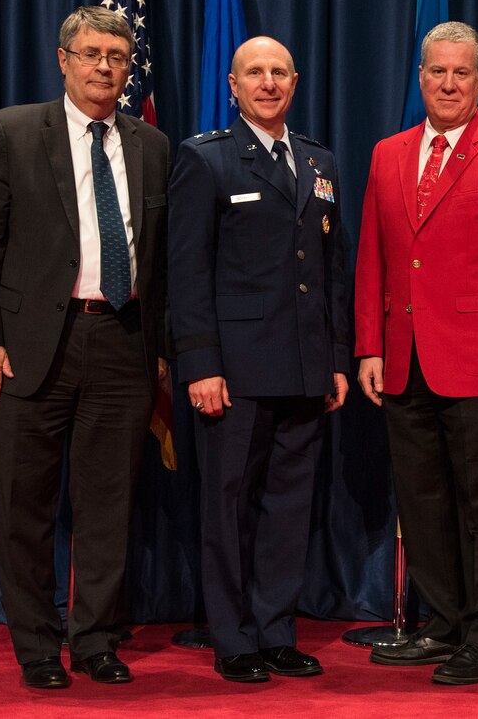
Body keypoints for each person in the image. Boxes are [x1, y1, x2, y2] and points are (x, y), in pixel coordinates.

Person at [0, 6, 169, 689]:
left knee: (108, 504)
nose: (105, 66)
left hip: (122, 341)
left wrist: (161, 346)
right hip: (28, 345)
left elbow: (160, 259)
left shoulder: (151, 145)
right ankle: (38, 647)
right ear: (64, 59)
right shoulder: (13, 131)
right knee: (24, 504)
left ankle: (97, 638)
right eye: (92, 53)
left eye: (117, 55)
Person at [354, 22, 478, 685]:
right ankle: (440, 623)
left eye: (461, 73)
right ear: (420, 76)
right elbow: (374, 258)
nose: (447, 83)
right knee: (422, 500)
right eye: (437, 71)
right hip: (404, 358)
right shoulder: (387, 153)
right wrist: (369, 346)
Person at [167, 36, 350, 684]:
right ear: (233, 84)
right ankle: (233, 636)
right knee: (228, 505)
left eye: (278, 73)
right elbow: (186, 274)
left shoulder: (319, 160)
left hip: (303, 365)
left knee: (288, 508)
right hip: (234, 370)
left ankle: (276, 631)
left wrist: (335, 358)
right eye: (255, 73)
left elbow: (331, 272)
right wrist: (200, 364)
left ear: (294, 83)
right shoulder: (205, 159)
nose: (268, 82)